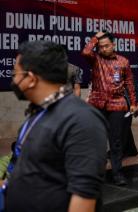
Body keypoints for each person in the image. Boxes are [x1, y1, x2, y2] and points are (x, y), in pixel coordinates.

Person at [3, 41, 107, 212]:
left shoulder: (81, 119)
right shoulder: (38, 112)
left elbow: (84, 196)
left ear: (30, 78)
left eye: (15, 74)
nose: (13, 80)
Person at [82, 31, 137, 186]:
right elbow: (86, 52)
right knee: (97, 140)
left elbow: (130, 84)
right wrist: (95, 38)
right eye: (101, 46)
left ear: (113, 45)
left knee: (116, 141)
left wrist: (133, 103)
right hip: (97, 104)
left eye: (107, 46)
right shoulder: (95, 59)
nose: (103, 49)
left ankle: (117, 173)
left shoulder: (123, 62)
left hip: (117, 105)